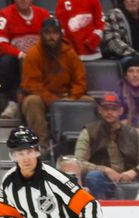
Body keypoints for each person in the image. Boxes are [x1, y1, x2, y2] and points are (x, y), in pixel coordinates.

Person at [20, 18, 91, 153]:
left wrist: (73, 98)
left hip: (67, 96)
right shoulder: (33, 54)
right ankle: (41, 146)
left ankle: (86, 145)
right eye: (47, 33)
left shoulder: (70, 53)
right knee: (32, 101)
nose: (51, 37)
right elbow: (31, 85)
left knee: (89, 102)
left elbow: (80, 80)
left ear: (60, 34)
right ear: (42, 34)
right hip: (42, 97)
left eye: (54, 33)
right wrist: (53, 100)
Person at [74, 92, 139, 200]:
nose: (109, 112)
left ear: (121, 111)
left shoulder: (133, 133)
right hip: (103, 180)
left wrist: (134, 171)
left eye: (113, 109)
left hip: (130, 179)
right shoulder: (88, 132)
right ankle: (99, 210)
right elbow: (77, 162)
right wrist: (104, 170)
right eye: (105, 109)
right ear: (100, 110)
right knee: (94, 176)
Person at [0, 0, 51, 119]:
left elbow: (53, 39)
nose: (23, 0)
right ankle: (13, 101)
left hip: (39, 59)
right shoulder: (4, 14)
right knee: (7, 61)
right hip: (14, 60)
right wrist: (21, 54)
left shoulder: (43, 14)